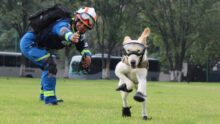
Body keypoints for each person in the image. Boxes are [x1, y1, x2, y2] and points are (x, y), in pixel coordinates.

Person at [20, 6, 97, 105]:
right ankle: (50, 99)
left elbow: (83, 47)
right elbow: (62, 30)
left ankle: (44, 95)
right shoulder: (64, 24)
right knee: (49, 65)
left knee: (48, 66)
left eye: (85, 26)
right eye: (80, 22)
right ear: (76, 18)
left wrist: (88, 56)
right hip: (29, 43)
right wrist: (70, 36)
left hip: (39, 46)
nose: (82, 26)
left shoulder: (79, 34)